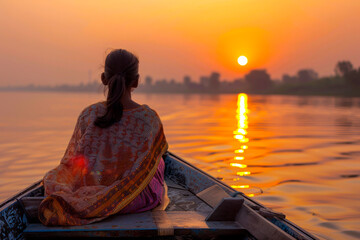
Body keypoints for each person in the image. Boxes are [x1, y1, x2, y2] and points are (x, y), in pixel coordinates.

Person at [38, 49, 169, 226]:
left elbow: (73, 162)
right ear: (136, 81)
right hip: (130, 198)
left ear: (103, 78)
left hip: (89, 188)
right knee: (159, 161)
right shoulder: (149, 119)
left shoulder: (88, 114)